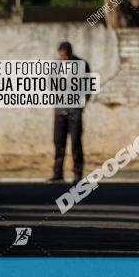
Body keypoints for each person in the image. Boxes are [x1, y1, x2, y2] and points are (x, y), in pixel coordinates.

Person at [49, 42, 90, 184]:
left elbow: (88, 87)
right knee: (58, 142)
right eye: (61, 56)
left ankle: (78, 174)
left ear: (71, 54)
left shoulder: (82, 65)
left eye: (66, 56)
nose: (64, 59)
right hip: (60, 110)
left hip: (75, 110)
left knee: (76, 143)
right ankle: (57, 173)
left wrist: (82, 104)